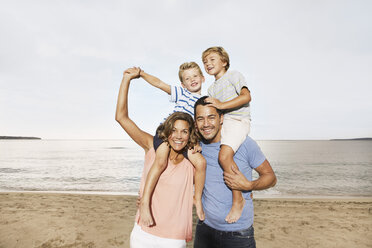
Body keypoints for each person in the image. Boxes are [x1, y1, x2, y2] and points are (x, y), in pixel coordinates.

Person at [115, 68, 198, 248]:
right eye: (173, 130)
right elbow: (121, 117)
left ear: (191, 134)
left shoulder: (193, 160)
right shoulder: (151, 146)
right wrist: (127, 79)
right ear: (166, 132)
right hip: (142, 232)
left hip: (174, 239)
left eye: (184, 131)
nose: (178, 136)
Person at [193, 96, 277, 248]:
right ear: (195, 123)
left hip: (238, 234)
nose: (206, 124)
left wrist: (248, 185)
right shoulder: (196, 147)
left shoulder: (244, 144)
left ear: (221, 118)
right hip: (204, 229)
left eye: (211, 117)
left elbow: (270, 177)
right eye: (200, 119)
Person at [133, 63, 206, 227]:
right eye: (187, 78)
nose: (192, 80)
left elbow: (201, 126)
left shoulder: (205, 103)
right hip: (167, 133)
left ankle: (197, 199)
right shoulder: (182, 93)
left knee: (201, 163)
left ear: (202, 78)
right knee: (160, 162)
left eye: (195, 76)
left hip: (186, 138)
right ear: (183, 84)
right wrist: (142, 74)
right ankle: (145, 202)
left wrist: (198, 143)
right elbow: (159, 83)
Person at [202, 46, 252, 223]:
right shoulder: (211, 89)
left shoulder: (234, 75)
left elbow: (246, 97)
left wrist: (221, 105)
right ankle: (246, 191)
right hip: (222, 124)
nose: (208, 63)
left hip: (237, 121)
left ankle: (238, 200)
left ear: (224, 61)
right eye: (205, 62)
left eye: (212, 59)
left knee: (224, 157)